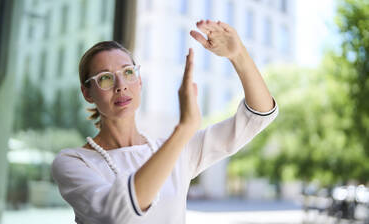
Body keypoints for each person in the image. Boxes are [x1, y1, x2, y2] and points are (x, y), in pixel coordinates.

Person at [51, 19, 279, 224]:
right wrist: (184, 129)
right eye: (105, 78)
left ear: (139, 82)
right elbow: (115, 214)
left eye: (128, 72)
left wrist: (238, 56)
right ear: (87, 93)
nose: (121, 85)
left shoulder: (177, 151)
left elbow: (258, 116)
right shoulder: (74, 162)